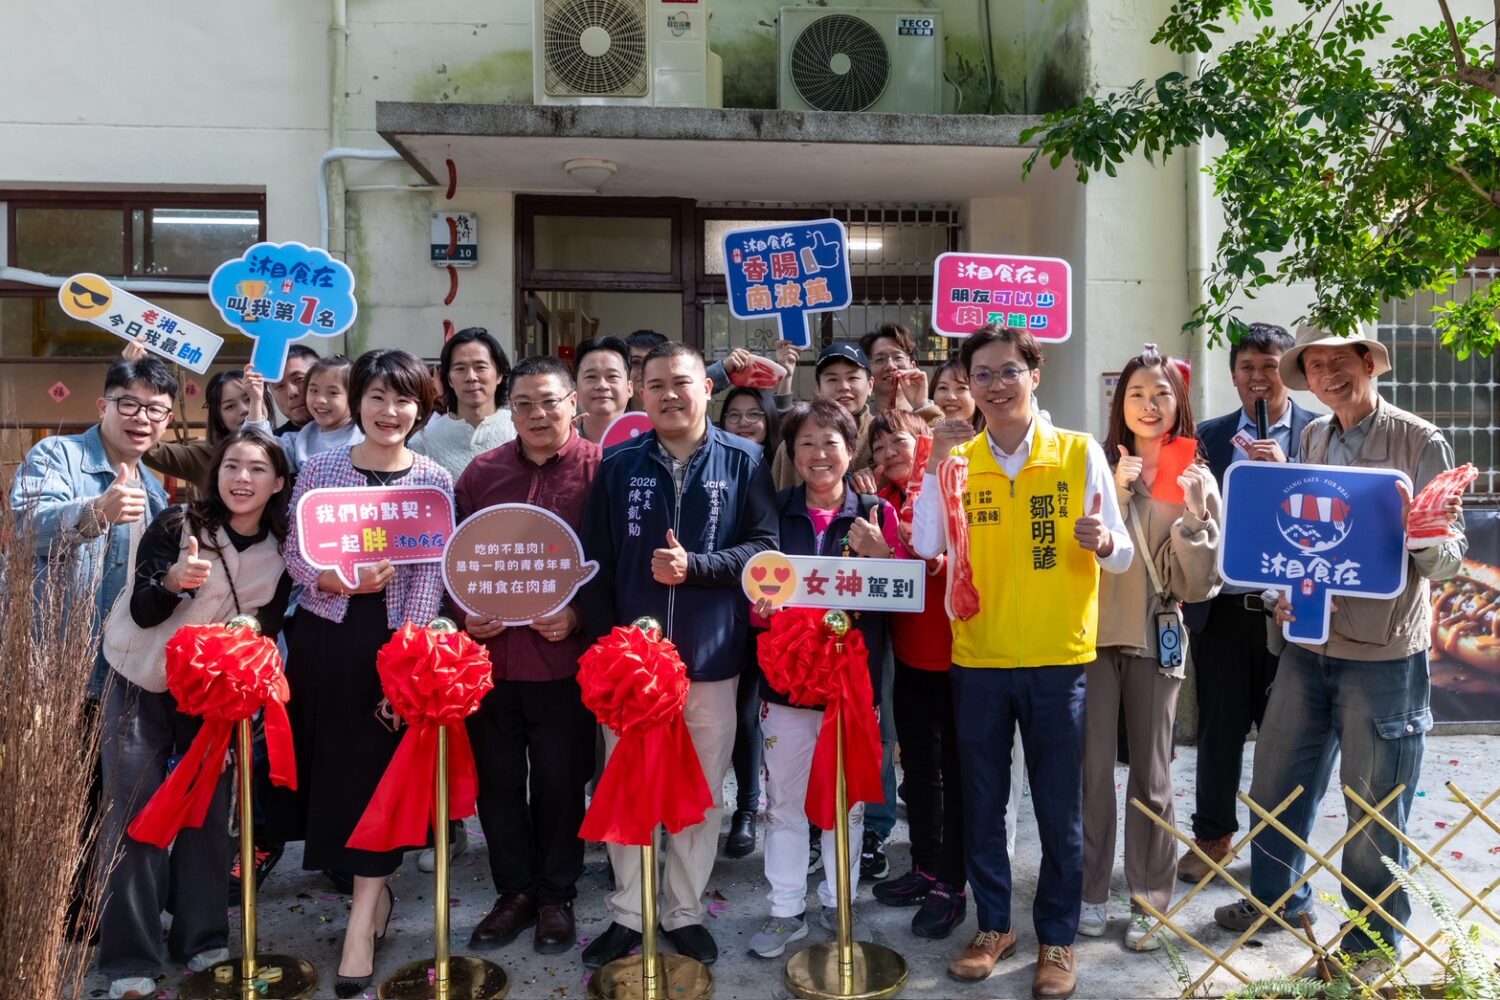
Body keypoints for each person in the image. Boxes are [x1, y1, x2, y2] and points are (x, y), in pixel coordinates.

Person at [1213, 324, 1467, 976]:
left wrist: (1425, 536)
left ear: (1368, 362)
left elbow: (1447, 559)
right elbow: (1301, 547)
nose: (1328, 375)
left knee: (1374, 808)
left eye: (1339, 361)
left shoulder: (1417, 440)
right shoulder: (1313, 436)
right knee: (1274, 785)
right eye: (1315, 365)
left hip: (1383, 657)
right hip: (1307, 645)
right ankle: (1278, 898)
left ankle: (1369, 944)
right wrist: (1279, 596)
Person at [911, 325, 1133, 997]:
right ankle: (995, 926)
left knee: (1059, 807)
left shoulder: (1078, 452)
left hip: (1058, 657)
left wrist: (1103, 541)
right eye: (982, 374)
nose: (997, 384)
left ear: (1035, 376)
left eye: (1010, 371)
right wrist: (928, 469)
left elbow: (1122, 551)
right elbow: (926, 547)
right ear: (968, 387)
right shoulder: (957, 462)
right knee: (982, 801)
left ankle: (1058, 939)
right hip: (977, 659)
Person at [578, 342, 778, 970]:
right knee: (626, 790)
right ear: (640, 394)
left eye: (682, 382)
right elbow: (597, 566)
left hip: (710, 660)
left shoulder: (745, 460)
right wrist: (608, 652)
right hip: (631, 670)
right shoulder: (617, 466)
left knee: (699, 794)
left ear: (707, 389)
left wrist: (698, 570)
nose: (670, 393)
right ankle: (628, 913)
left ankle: (684, 911)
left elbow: (764, 551)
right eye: (656, 383)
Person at [273, 349, 451, 998]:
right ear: (356, 400)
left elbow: (433, 571)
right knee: (338, 772)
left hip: (394, 643)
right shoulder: (320, 467)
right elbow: (296, 552)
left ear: (420, 408)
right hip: (328, 637)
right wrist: (335, 577)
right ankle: (371, 901)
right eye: (376, 396)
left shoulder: (433, 479)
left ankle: (359, 921)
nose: (389, 411)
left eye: (403, 399)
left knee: (381, 778)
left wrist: (407, 660)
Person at [95, 429, 292, 1000]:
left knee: (211, 816)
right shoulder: (178, 526)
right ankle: (129, 957)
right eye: (231, 465)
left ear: (277, 481)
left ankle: (202, 937)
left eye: (257, 469)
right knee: (133, 813)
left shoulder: (281, 549)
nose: (241, 478)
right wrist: (175, 583)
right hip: (141, 680)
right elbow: (141, 605)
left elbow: (270, 630)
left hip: (213, 698)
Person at [456, 356, 602, 955]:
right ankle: (513, 892)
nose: (538, 415)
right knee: (497, 784)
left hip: (562, 661)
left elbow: (615, 562)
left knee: (560, 781)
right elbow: (452, 557)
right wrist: (462, 613)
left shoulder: (604, 472)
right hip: (491, 661)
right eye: (523, 404)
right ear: (506, 408)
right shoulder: (480, 474)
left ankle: (556, 895)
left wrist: (579, 617)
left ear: (574, 403)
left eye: (549, 401)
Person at [747, 398, 902, 959]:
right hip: (785, 686)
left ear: (849, 448)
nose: (819, 454)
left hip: (851, 689)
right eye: (806, 443)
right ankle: (784, 907)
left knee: (848, 802)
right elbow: (754, 581)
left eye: (830, 442)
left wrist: (881, 555)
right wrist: (761, 606)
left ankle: (840, 901)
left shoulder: (875, 513)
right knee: (783, 802)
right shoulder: (774, 509)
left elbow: (902, 595)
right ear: (792, 453)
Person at [1080, 347, 1222, 952]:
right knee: (1089, 773)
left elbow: (1199, 584)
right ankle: (1089, 891)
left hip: (1154, 632)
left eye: (1161, 393)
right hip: (1088, 636)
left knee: (1152, 774)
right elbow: (1069, 547)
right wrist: (1112, 491)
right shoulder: (1094, 461)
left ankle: (1148, 900)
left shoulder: (1196, 474)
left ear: (1179, 402)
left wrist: (1193, 521)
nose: (1148, 404)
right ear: (1120, 402)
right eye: (1136, 393)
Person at [1178, 323, 1318, 881]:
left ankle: (1279, 848)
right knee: (1219, 728)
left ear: (1288, 372)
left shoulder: (1317, 434)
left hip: (1292, 610)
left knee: (1288, 737)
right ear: (1233, 375)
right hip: (1226, 607)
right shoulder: (1208, 438)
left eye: (1270, 366)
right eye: (1247, 368)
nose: (1258, 379)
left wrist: (1286, 478)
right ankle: (1213, 836)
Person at [11, 356, 179, 703]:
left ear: (168, 420)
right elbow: (25, 529)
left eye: (155, 410)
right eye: (129, 403)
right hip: (53, 669)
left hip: (122, 672)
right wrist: (95, 512)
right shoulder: (58, 454)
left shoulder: (155, 494)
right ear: (104, 406)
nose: (142, 418)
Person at [717, 386, 782, 859]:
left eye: (754, 415)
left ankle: (746, 808)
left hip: (772, 611)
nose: (743, 422)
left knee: (748, 716)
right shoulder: (718, 466)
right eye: (733, 415)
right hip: (721, 606)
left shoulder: (784, 465)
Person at [137, 366, 274, 497]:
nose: (244, 409)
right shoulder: (204, 456)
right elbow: (150, 450)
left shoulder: (286, 444)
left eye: (249, 399)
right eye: (230, 406)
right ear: (218, 417)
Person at [410, 327, 516, 481]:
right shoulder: (423, 442)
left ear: (499, 374)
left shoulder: (521, 429)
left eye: (480, 367)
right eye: (460, 369)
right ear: (449, 379)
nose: (471, 377)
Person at [250, 354, 362, 475]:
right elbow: (259, 450)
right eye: (314, 390)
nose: (320, 400)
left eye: (332, 392)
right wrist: (256, 400)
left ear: (354, 397)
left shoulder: (365, 436)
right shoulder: (301, 439)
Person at [859, 323, 941, 420]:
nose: (890, 366)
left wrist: (922, 407)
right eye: (880, 359)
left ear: (912, 367)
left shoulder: (937, 414)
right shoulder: (859, 421)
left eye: (898, 358)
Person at [574, 336, 634, 444]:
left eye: (612, 376)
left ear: (629, 388)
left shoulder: (651, 443)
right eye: (591, 377)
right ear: (576, 388)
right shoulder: (558, 445)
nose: (602, 385)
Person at [272, 344, 320, 435]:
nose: (292, 392)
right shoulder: (274, 444)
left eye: (299, 379)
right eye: (280, 386)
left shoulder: (354, 433)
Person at [931, 358, 984, 432]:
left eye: (962, 388)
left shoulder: (995, 440)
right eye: (943, 388)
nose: (951, 397)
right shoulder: (916, 439)